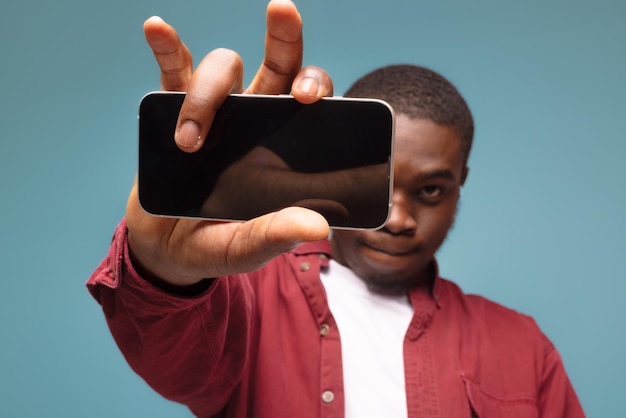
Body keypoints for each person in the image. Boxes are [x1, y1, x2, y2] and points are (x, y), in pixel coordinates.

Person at [87, 1, 585, 417]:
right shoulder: (242, 298)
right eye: (377, 185)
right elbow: (172, 353)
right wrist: (162, 273)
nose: (400, 218)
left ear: (461, 187)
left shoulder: (524, 348)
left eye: (431, 191)